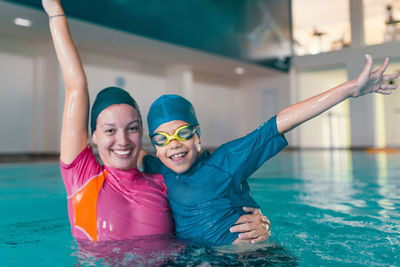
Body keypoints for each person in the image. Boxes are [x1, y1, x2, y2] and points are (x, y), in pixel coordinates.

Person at [42, 0, 270, 243]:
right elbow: (75, 85)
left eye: (132, 129)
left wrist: (261, 223)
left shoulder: (163, 182)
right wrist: (56, 14)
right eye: (110, 130)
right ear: (93, 137)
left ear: (143, 133)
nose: (122, 140)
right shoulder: (82, 177)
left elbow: (209, 208)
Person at [141, 55, 398, 246]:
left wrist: (349, 89)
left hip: (251, 259)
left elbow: (277, 124)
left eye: (183, 133)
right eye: (162, 138)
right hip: (199, 258)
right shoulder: (156, 168)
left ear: (198, 136)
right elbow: (128, 154)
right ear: (154, 145)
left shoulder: (226, 161)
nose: (173, 143)